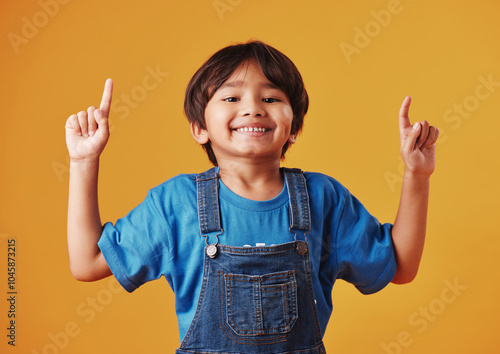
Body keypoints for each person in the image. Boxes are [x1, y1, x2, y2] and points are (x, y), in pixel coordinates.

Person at [65, 40, 439, 353]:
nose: (253, 107)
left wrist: (417, 175)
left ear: (294, 127)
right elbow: (88, 263)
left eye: (272, 97)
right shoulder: (176, 203)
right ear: (199, 128)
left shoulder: (323, 198)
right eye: (230, 97)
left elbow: (400, 267)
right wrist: (84, 162)